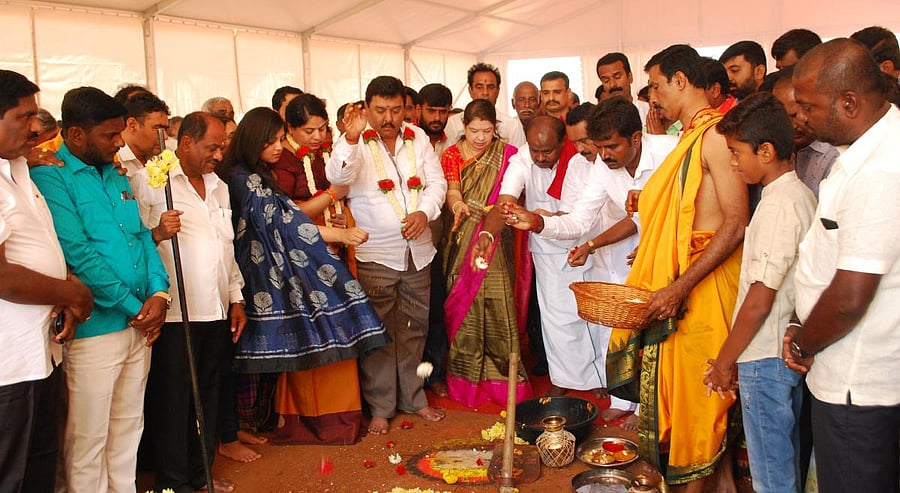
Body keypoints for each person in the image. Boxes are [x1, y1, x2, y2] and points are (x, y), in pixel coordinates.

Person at [613, 45, 747, 490]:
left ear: (680, 81)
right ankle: (721, 485)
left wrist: (680, 285)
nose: (652, 97)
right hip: (683, 282)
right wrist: (655, 250)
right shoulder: (686, 139)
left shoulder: (714, 138)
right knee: (697, 399)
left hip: (703, 290)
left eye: (655, 85)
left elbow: (734, 224)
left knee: (701, 400)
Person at [503, 97, 678, 427]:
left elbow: (683, 205)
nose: (604, 155)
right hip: (616, 256)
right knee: (614, 329)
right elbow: (580, 218)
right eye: (599, 147)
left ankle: (650, 409)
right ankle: (625, 399)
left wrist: (651, 231)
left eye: (611, 146)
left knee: (657, 333)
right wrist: (539, 224)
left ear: (636, 138)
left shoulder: (671, 150)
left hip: (667, 254)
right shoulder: (603, 165)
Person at [218, 106, 389, 442]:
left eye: (281, 139)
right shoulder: (244, 179)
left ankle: (251, 424)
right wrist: (339, 236)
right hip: (252, 273)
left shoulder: (256, 172)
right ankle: (237, 429)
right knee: (249, 349)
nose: (279, 147)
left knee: (261, 348)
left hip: (265, 268)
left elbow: (287, 217)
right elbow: (286, 221)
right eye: (272, 141)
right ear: (253, 140)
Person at [30, 86, 171, 493]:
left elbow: (142, 235)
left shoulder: (116, 174)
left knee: (128, 428)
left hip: (140, 323)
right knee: (89, 438)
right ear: (76, 135)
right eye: (110, 136)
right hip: (98, 328)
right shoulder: (52, 177)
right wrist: (134, 307)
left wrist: (159, 295)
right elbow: (78, 255)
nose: (118, 143)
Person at [786, 38, 900, 492]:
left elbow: (851, 297)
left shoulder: (881, 170)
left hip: (857, 382)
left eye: (809, 106)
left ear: (848, 102)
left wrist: (802, 342)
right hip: (847, 368)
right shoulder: (864, 150)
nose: (800, 117)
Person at [707, 92, 816, 493]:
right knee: (782, 457)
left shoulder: (778, 206)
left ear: (766, 151)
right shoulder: (797, 195)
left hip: (764, 358)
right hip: (774, 354)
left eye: (736, 153)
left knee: (771, 472)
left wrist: (724, 360)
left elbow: (759, 300)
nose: (732, 164)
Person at [131, 111, 245, 493]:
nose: (218, 154)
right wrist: (158, 232)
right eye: (212, 147)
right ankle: (175, 481)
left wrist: (236, 297)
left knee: (209, 394)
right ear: (185, 143)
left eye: (222, 147)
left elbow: (225, 248)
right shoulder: (152, 182)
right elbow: (136, 243)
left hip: (215, 308)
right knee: (176, 401)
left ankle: (202, 473)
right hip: (177, 310)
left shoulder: (219, 187)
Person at [327, 75, 447, 435]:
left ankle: (414, 397)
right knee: (378, 331)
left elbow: (437, 182)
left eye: (396, 110)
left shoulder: (418, 136)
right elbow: (338, 176)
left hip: (418, 252)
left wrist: (425, 211)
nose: (388, 118)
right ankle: (380, 406)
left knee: (414, 329)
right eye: (380, 110)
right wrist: (349, 138)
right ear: (367, 108)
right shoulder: (355, 140)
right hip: (376, 252)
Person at [0, 70, 93, 493]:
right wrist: (71, 292)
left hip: (41, 349)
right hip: (8, 363)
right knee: (10, 472)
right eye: (24, 117)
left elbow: (40, 249)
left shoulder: (19, 168)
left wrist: (62, 297)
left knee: (39, 464)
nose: (36, 127)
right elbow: (3, 276)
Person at [268, 94, 372, 445]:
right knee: (313, 336)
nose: (316, 136)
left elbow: (336, 195)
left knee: (340, 331)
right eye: (308, 130)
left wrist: (339, 212)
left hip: (332, 253)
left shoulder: (326, 152)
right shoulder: (281, 161)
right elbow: (289, 217)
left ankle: (345, 416)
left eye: (322, 128)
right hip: (302, 262)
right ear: (290, 128)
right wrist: (330, 199)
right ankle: (313, 421)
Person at [439, 99, 528, 407]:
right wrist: (457, 204)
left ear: (496, 128)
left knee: (499, 300)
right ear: (463, 128)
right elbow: (452, 190)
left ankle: (505, 379)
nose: (480, 137)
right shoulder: (451, 154)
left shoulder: (509, 155)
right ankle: (465, 379)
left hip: (496, 235)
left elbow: (513, 194)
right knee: (465, 303)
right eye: (474, 130)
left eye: (487, 131)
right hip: (462, 231)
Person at [770, 67, 839, 198]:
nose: (792, 125)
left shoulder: (834, 155)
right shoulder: (777, 151)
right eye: (784, 118)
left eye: (795, 115)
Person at [443, 63, 526, 148]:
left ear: (498, 91)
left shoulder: (512, 126)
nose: (485, 92)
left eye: (490, 87)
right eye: (479, 87)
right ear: (470, 90)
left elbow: (520, 159)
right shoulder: (453, 124)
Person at [117, 91, 170, 178]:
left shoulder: (163, 156)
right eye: (157, 128)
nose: (165, 137)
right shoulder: (112, 161)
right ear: (132, 125)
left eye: (165, 129)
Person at [596, 52, 651, 123]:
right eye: (606, 80)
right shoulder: (600, 120)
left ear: (630, 77)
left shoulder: (649, 111)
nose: (612, 84)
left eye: (617, 77)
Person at [416, 83, 453, 156]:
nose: (437, 118)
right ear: (418, 110)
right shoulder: (403, 137)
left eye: (443, 112)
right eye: (431, 111)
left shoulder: (454, 141)